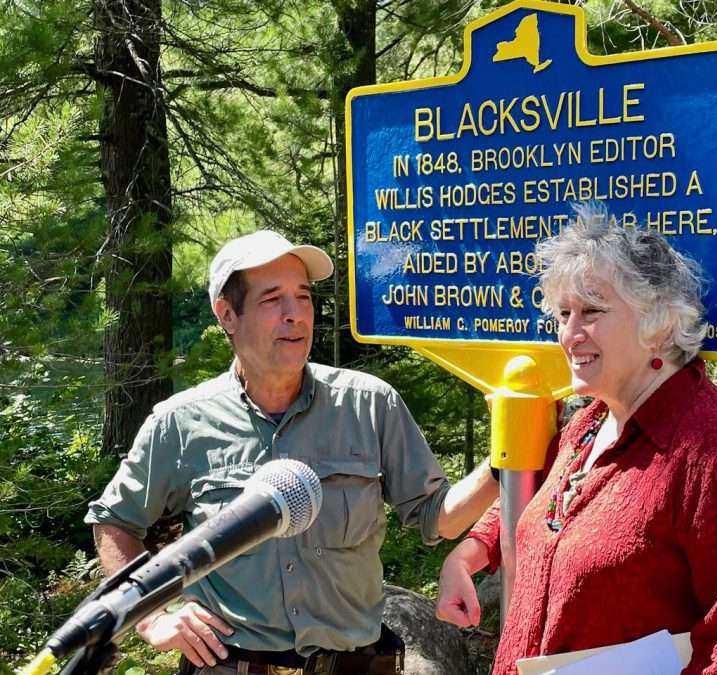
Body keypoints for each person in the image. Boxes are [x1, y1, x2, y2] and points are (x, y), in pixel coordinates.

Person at [86, 229, 498, 675]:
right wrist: (152, 619)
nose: (295, 315)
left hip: (355, 665)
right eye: (272, 300)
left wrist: (502, 460)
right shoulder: (181, 423)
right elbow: (114, 522)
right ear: (227, 314)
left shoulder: (368, 404)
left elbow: (439, 515)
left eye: (303, 297)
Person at [435, 207, 717, 674]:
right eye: (564, 313)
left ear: (660, 325)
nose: (569, 334)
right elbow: (548, 505)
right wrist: (470, 552)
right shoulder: (590, 424)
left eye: (592, 311)